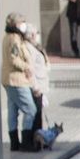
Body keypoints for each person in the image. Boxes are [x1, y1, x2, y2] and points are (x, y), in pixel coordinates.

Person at [1, 13, 36, 152]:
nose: (24, 25)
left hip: (9, 79)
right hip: (17, 79)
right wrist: (27, 67)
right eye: (22, 22)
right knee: (30, 109)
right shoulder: (14, 39)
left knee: (13, 110)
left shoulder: (8, 37)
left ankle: (14, 143)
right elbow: (13, 59)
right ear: (15, 24)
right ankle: (26, 141)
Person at [22, 22, 54, 151]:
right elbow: (30, 70)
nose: (37, 36)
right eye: (36, 34)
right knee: (35, 115)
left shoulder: (36, 47)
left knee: (38, 114)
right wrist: (35, 86)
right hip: (36, 88)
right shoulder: (28, 48)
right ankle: (35, 141)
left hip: (40, 87)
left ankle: (40, 140)